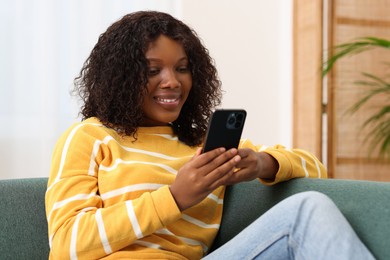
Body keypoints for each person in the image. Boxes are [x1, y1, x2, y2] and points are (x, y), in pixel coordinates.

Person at [45, 11, 374, 260]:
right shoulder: (90, 136)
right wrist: (175, 197)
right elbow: (66, 245)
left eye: (182, 68)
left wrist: (263, 164)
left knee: (308, 208)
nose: (172, 81)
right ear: (121, 77)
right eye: (153, 70)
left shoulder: (202, 146)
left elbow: (316, 168)